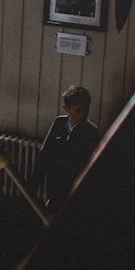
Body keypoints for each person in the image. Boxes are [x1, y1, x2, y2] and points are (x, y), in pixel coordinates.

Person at [29, 85, 100, 215]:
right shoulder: (59, 124)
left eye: (86, 109)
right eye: (78, 110)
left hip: (75, 191)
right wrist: (33, 187)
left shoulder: (92, 133)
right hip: (54, 186)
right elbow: (44, 156)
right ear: (66, 109)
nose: (83, 114)